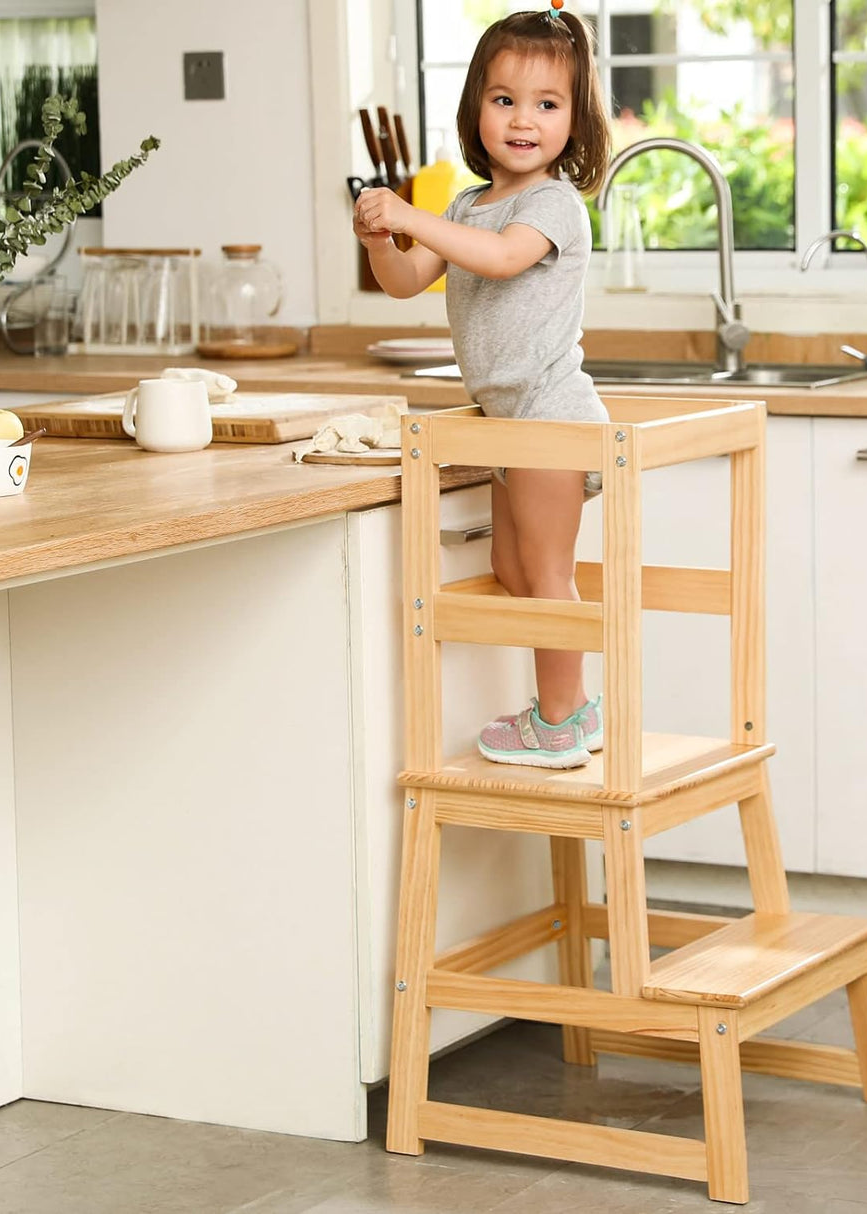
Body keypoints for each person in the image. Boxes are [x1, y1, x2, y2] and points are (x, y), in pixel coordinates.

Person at [353, 6, 611, 771]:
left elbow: (500, 260)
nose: (523, 119)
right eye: (504, 100)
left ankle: (559, 720)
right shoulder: (468, 207)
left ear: (575, 119)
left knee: (544, 578)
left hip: (550, 420)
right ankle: (575, 710)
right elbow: (404, 282)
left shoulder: (553, 206)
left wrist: (410, 214)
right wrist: (380, 236)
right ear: (475, 109)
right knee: (512, 570)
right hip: (507, 424)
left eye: (547, 104)